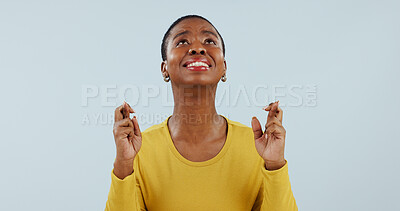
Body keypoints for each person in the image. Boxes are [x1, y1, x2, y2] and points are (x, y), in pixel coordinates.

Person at [105, 15, 298, 211]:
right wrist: (123, 163)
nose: (197, 48)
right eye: (182, 41)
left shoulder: (258, 147)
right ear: (164, 68)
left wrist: (275, 164)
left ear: (224, 67)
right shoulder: (138, 150)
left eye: (209, 41)